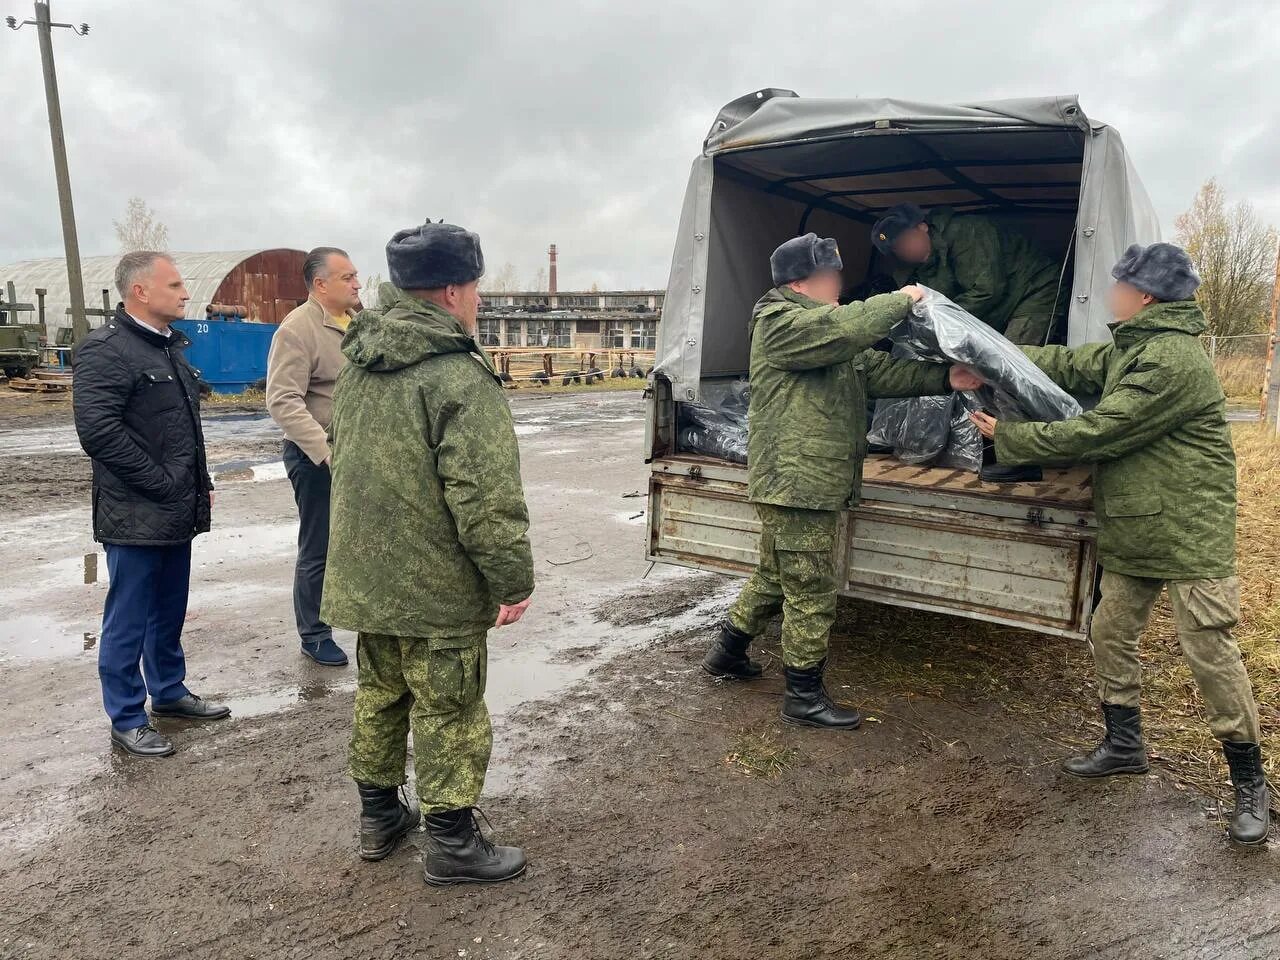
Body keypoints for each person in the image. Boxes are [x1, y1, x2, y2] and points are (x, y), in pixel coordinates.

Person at [970, 242, 1269, 845]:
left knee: (1208, 648)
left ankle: (1250, 782)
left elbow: (1104, 430)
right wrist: (992, 356)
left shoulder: (1175, 360)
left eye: (1119, 285)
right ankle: (1124, 744)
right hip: (1135, 521)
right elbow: (1071, 363)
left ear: (1146, 297)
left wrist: (1013, 436)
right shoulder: (1134, 348)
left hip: (1188, 529)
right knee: (1110, 631)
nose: (1110, 293)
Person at [321, 221, 536, 884]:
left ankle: (380, 817)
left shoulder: (360, 359)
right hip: (436, 584)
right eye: (474, 286)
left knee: (381, 694)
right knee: (450, 705)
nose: (476, 299)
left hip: (367, 574)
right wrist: (512, 579)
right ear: (452, 290)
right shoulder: (456, 375)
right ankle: (452, 844)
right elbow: (484, 497)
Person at [701, 233, 984, 729]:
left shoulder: (827, 332)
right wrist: (902, 298)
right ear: (799, 283)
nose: (839, 284)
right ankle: (803, 697)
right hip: (798, 483)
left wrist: (945, 380)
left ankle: (726, 653)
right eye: (831, 277)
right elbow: (850, 328)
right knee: (811, 588)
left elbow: (877, 370)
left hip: (804, 481)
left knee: (774, 575)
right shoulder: (782, 323)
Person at [72, 251, 230, 758]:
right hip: (135, 510)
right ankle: (126, 715)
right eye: (176, 285)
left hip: (175, 507)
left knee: (168, 608)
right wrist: (160, 482)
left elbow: (186, 433)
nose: (186, 294)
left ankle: (169, 692)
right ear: (140, 291)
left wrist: (197, 481)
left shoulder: (168, 351)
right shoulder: (106, 350)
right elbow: (98, 431)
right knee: (130, 615)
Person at [266, 247, 361, 667]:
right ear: (320, 285)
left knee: (357, 543)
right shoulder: (297, 329)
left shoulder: (360, 324)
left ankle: (360, 616)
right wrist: (325, 453)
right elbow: (282, 400)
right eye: (347, 278)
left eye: (356, 277)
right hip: (317, 457)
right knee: (319, 546)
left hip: (358, 455)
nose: (357, 284)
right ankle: (315, 633)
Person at [871, 203, 1066, 346]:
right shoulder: (910, 269)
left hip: (1034, 289)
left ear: (922, 227)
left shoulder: (967, 231)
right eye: (899, 248)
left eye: (908, 239)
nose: (907, 249)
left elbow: (986, 289)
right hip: (995, 306)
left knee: (1014, 362)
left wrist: (940, 323)